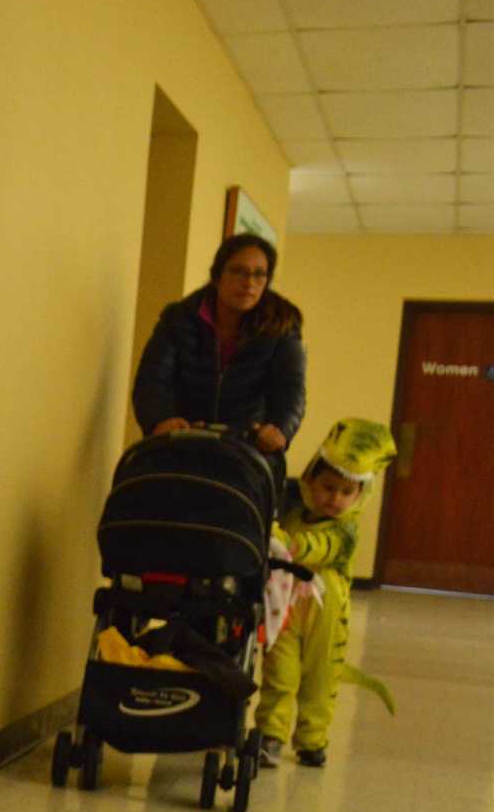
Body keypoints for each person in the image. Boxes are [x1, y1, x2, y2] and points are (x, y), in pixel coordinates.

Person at [256, 418, 396, 769]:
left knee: (319, 681)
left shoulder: (346, 531)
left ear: (359, 495)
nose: (335, 499)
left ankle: (312, 740)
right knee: (280, 674)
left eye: (347, 492)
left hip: (327, 618)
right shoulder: (292, 518)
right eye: (328, 488)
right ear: (309, 482)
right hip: (285, 610)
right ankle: (270, 736)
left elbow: (320, 546)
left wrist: (292, 544)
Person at [132, 233, 306, 460]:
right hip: (182, 444)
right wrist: (159, 420)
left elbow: (291, 390)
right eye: (238, 271)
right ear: (217, 275)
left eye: (259, 274)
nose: (249, 283)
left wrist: (280, 430)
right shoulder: (178, 319)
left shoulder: (282, 327)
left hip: (246, 452)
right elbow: (152, 380)